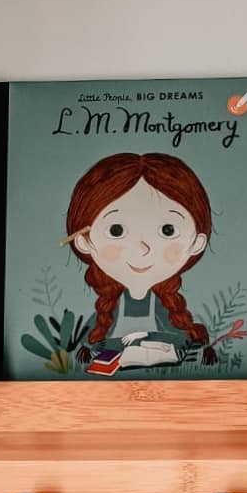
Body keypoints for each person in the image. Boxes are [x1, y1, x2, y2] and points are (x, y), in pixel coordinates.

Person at [65, 152, 214, 368]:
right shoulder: (108, 309)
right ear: (84, 241)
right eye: (116, 230)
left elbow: (182, 341)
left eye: (168, 229)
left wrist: (145, 338)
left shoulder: (165, 306)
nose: (142, 248)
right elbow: (89, 347)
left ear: (197, 243)